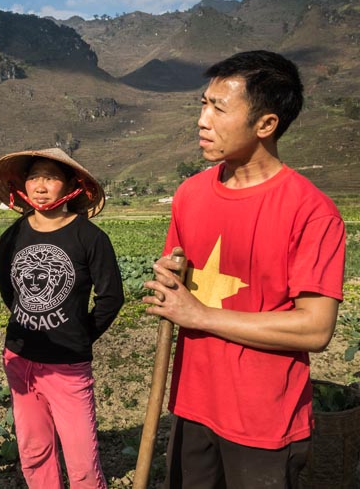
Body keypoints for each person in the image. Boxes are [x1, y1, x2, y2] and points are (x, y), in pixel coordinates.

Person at [143, 50, 346, 488]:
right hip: (192, 403)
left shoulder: (312, 212)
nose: (202, 120)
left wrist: (200, 315)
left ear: (266, 124)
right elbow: (180, 288)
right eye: (203, 104)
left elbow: (315, 329)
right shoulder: (190, 195)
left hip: (263, 421)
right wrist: (169, 280)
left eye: (218, 109)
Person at [0, 148, 124, 489]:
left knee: (82, 460)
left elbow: (111, 297)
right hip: (20, 359)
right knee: (34, 451)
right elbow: (10, 291)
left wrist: (80, 334)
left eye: (50, 177)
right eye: (34, 177)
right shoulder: (13, 236)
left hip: (67, 365)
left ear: (71, 186)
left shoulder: (90, 237)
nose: (40, 186)